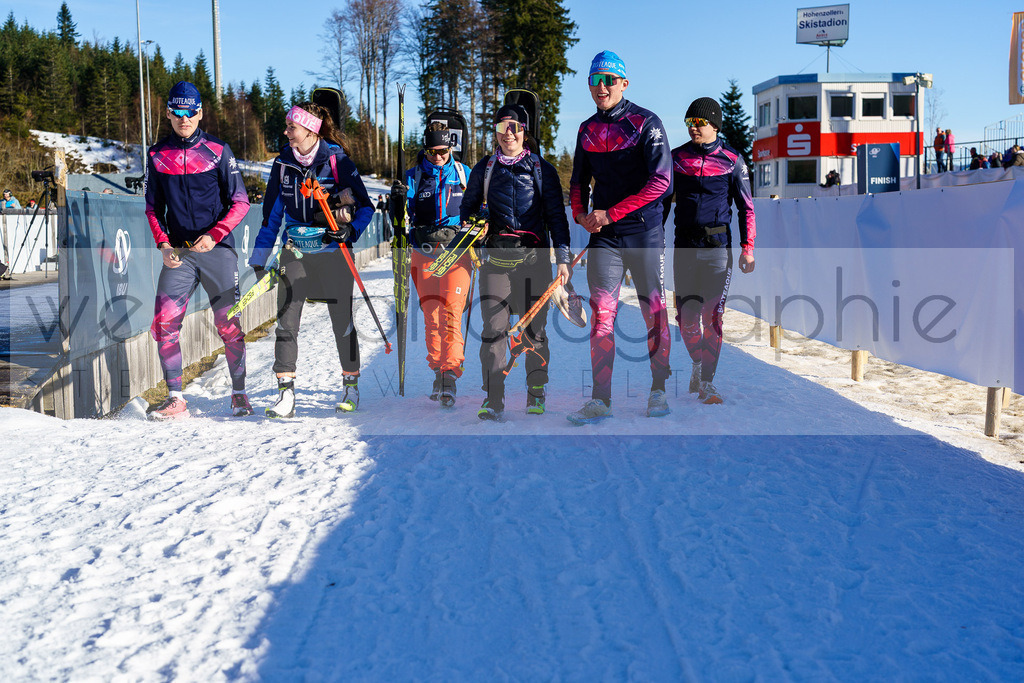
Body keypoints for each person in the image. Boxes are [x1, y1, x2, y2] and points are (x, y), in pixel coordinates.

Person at [566, 50, 673, 424]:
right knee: (602, 318)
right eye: (594, 80)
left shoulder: (646, 122)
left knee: (653, 312)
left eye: (609, 80)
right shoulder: (586, 129)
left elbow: (661, 182)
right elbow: (577, 182)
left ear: (624, 83)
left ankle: (658, 389)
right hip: (605, 238)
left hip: (644, 232)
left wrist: (610, 213)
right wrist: (580, 215)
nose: (602, 87)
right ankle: (600, 399)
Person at [249, 101, 374, 418]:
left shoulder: (337, 161)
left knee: (341, 321)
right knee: (286, 321)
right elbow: (271, 216)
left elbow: (366, 207)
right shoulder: (282, 164)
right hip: (295, 252)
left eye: (291, 126)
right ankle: (285, 394)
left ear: (310, 130)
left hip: (333, 253)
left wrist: (351, 231)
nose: (286, 131)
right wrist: (260, 259)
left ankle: (350, 386)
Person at [144, 81, 251, 420]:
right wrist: (163, 243)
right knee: (164, 322)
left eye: (190, 111)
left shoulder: (218, 150)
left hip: (217, 250)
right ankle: (175, 398)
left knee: (228, 324)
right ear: (168, 113)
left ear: (200, 112)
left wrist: (215, 235)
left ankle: (239, 393)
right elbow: (152, 207)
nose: (184, 118)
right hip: (179, 253)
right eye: (177, 111)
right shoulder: (157, 155)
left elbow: (241, 202)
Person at [461, 104, 572, 420]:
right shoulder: (485, 169)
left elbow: (557, 217)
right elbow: (467, 210)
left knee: (535, 331)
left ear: (524, 131)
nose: (508, 133)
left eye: (515, 127)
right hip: (496, 262)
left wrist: (563, 259)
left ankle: (536, 391)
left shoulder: (542, 169)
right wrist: (477, 222)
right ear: (495, 131)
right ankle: (493, 398)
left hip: (534, 261)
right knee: (493, 331)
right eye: (502, 127)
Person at [665, 97, 755, 405]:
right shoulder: (676, 158)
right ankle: (698, 362)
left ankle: (707, 382)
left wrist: (748, 248)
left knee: (713, 316)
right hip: (685, 248)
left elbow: (746, 208)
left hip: (717, 249)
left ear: (714, 125)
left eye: (699, 122)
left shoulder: (732, 160)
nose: (693, 128)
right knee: (686, 319)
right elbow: (661, 202)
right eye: (689, 122)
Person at [395, 121, 474, 406]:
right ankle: (438, 371)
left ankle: (450, 375)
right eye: (432, 151)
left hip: (456, 253)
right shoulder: (413, 176)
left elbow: (481, 207)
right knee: (432, 316)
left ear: (451, 148)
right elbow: (401, 217)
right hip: (424, 252)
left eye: (442, 151)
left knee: (452, 313)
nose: (438, 156)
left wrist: (479, 224)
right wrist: (396, 202)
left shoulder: (464, 173)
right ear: (425, 150)